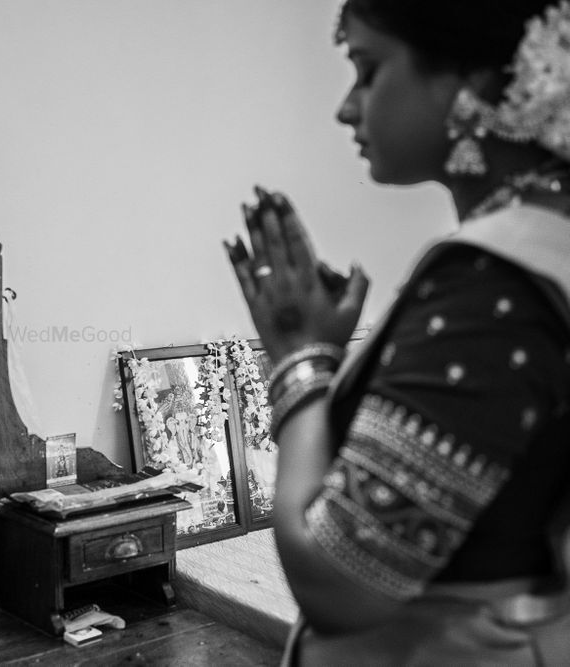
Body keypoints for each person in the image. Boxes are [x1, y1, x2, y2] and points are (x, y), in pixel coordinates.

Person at [224, 1, 570, 663]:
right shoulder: (544, 248)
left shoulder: (496, 284)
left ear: (470, 81)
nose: (347, 108)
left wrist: (300, 361)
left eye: (368, 69)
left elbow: (338, 581)